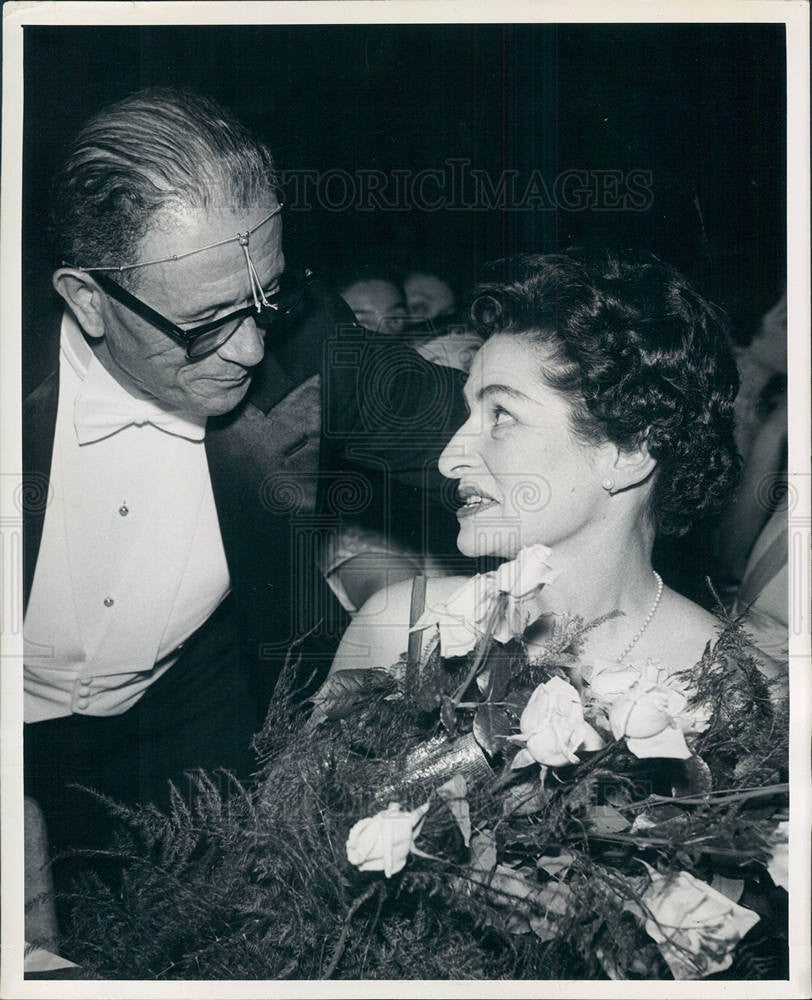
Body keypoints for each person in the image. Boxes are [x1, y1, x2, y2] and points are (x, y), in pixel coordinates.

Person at [22, 87, 466, 906]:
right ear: (86, 300)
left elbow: (484, 437)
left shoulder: (304, 343)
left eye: (268, 298)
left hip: (202, 739)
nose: (253, 346)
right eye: (207, 321)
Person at [332, 249, 783, 681]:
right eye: (468, 412)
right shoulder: (398, 631)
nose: (449, 459)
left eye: (501, 415)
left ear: (628, 453)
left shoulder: (753, 696)